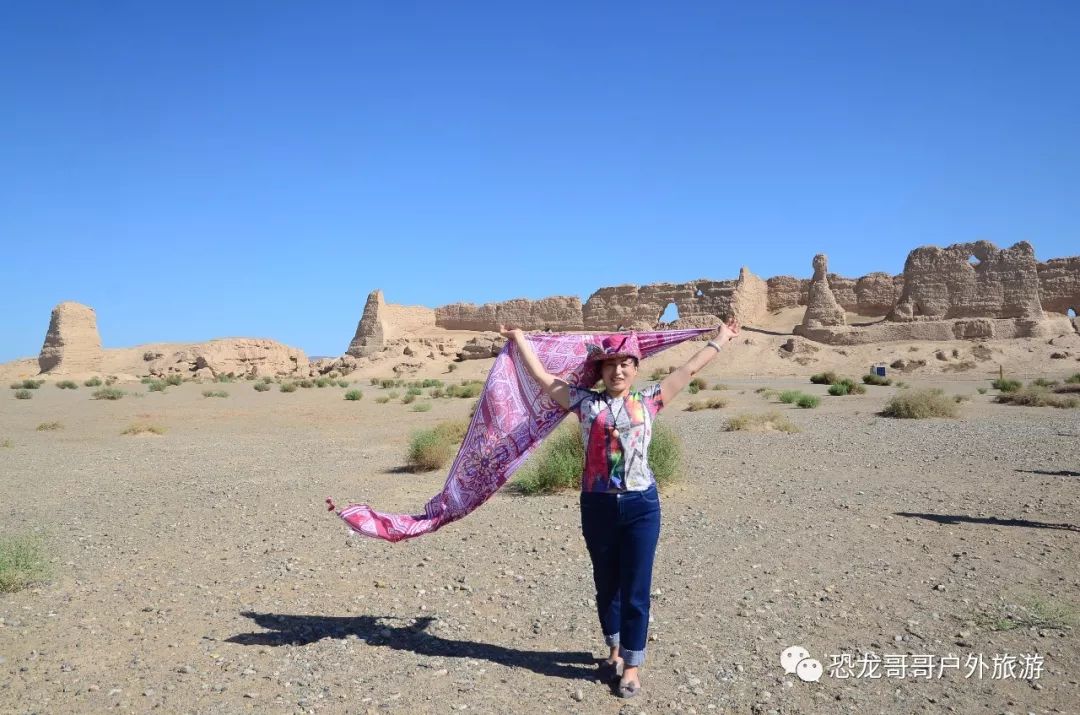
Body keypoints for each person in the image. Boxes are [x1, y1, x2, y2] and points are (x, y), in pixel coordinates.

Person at [499, 318, 741, 698]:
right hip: (597, 506)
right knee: (606, 584)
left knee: (637, 588)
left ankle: (632, 665)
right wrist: (518, 339)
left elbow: (688, 368)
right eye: (610, 365)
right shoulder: (583, 402)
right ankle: (612, 649)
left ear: (635, 368)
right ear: (601, 371)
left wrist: (721, 339)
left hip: (642, 506)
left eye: (625, 363)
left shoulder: (650, 401)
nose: (618, 370)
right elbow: (544, 377)